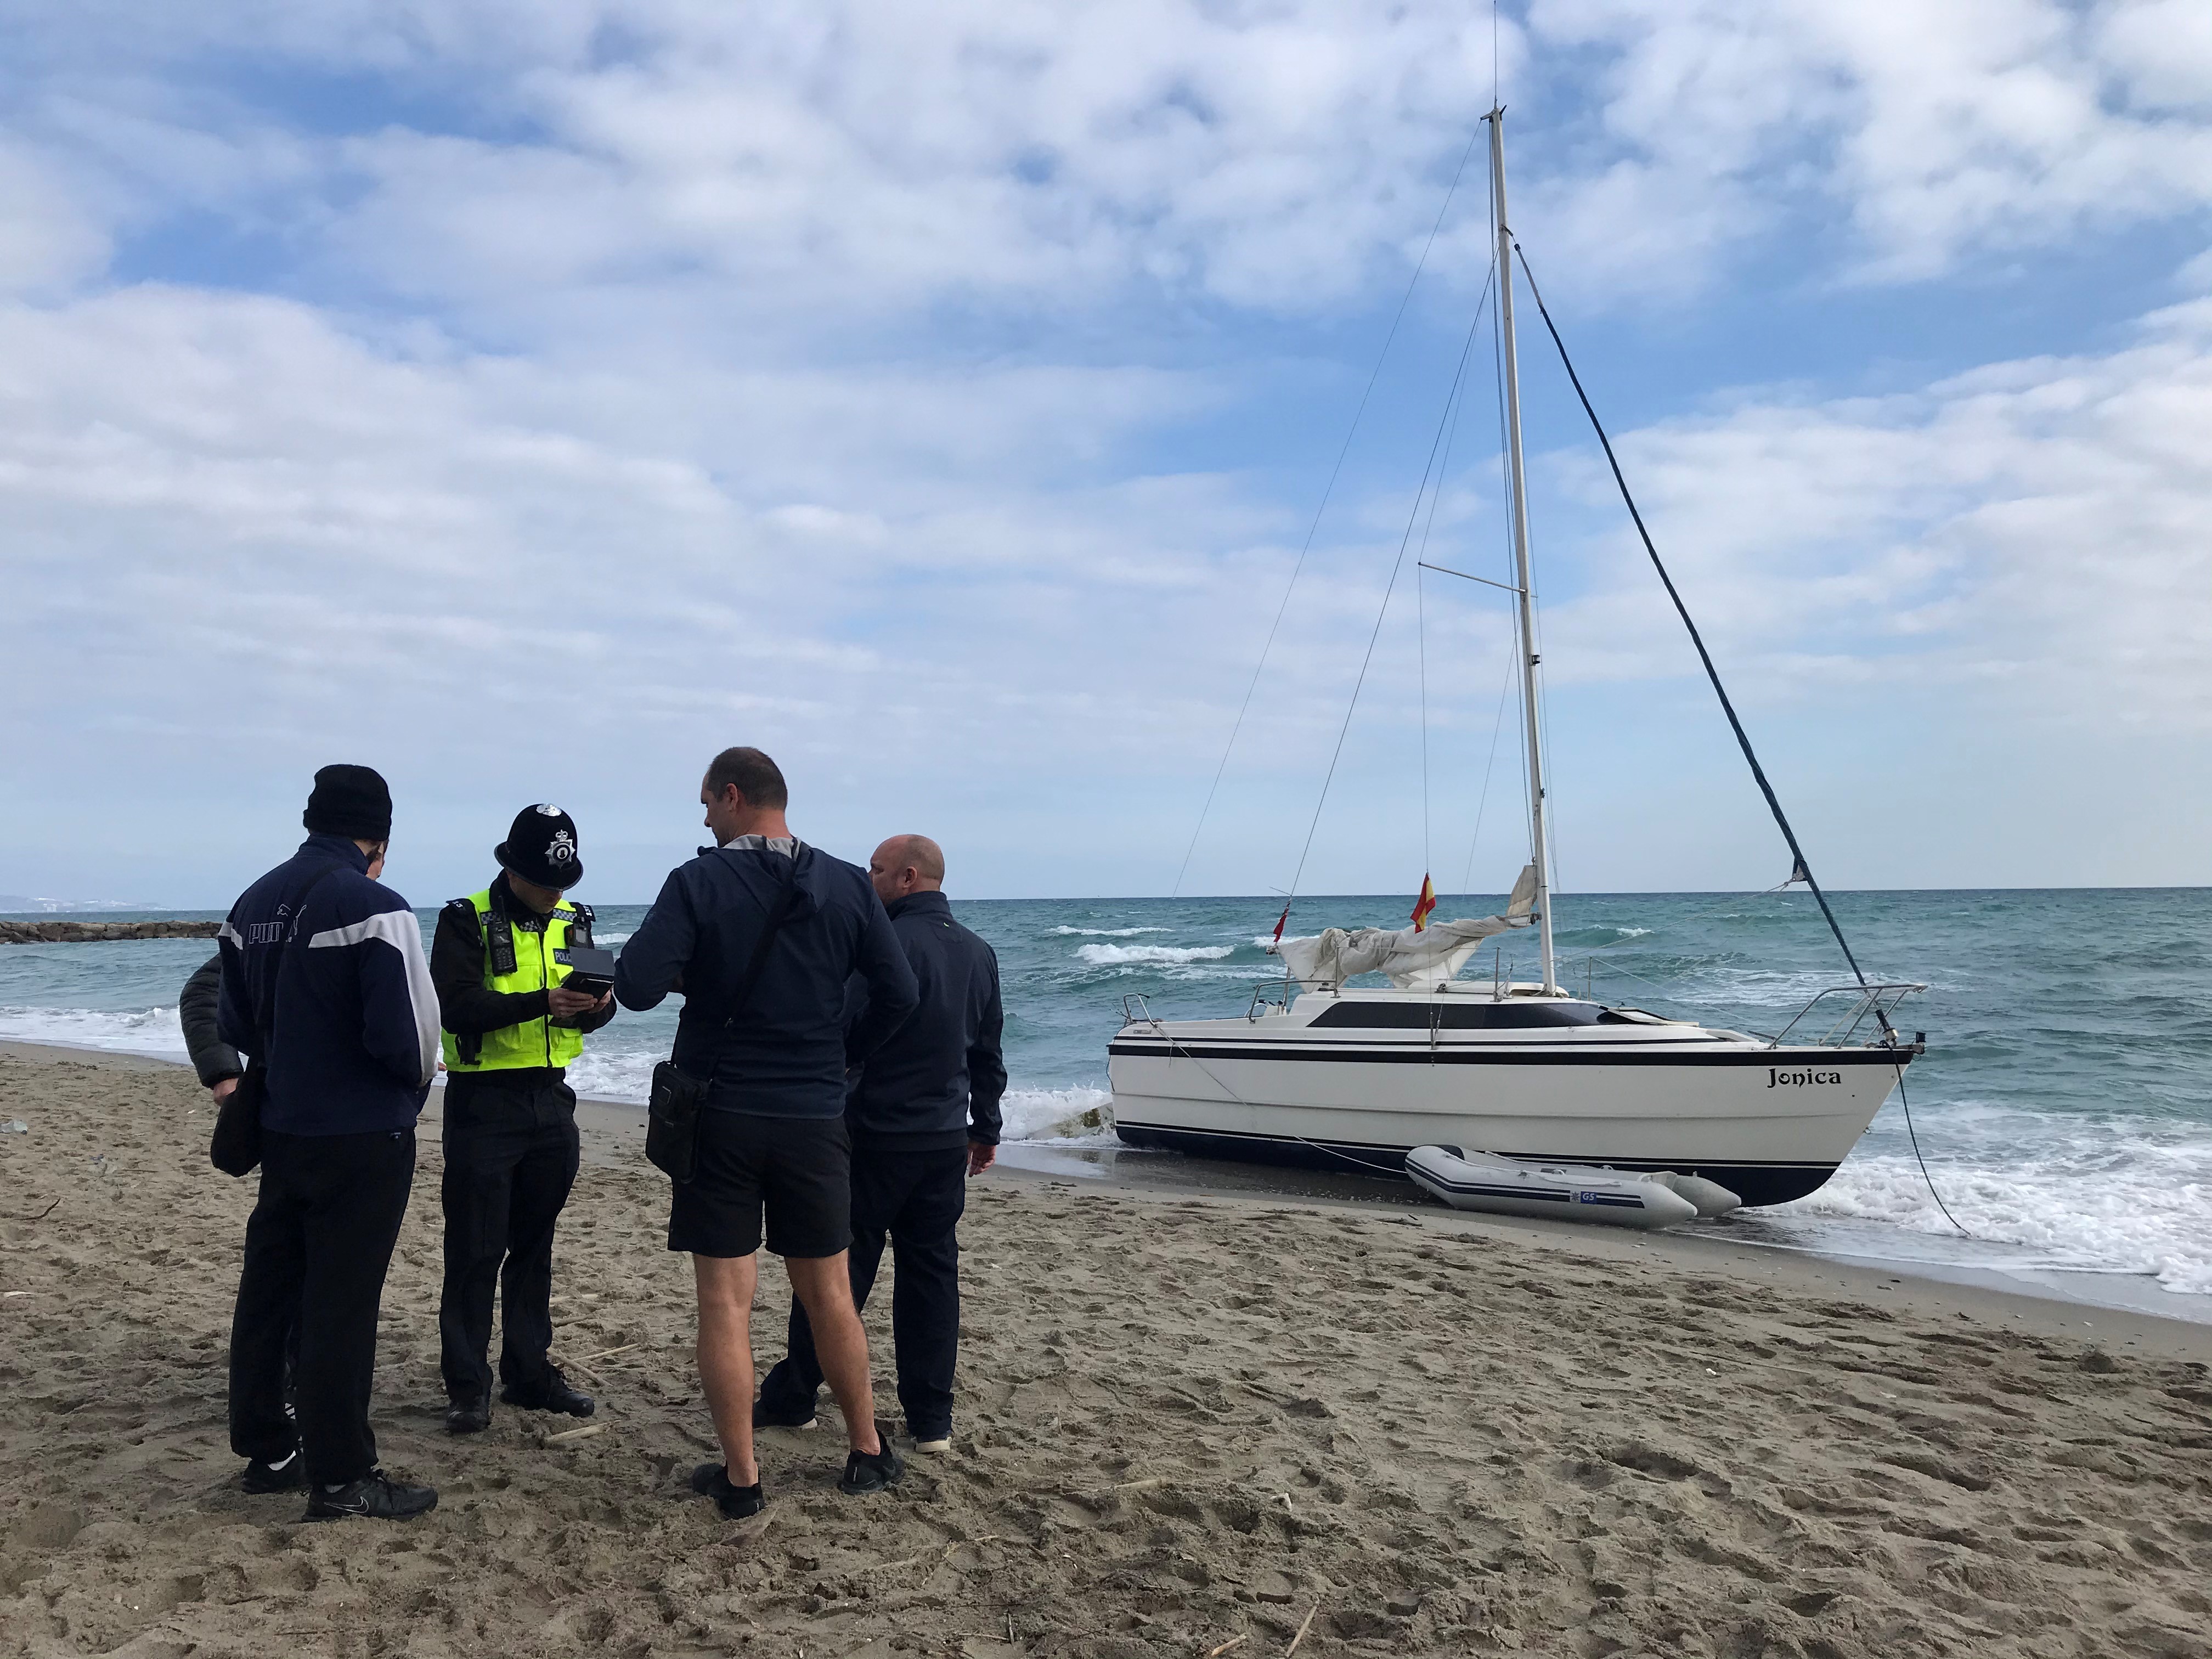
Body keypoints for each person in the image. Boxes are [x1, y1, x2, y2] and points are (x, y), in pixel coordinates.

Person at [615, 746, 920, 1519]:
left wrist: (696, 971)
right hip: (814, 1114)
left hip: (721, 1112)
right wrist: (843, 1055)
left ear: (733, 795)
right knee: (829, 1292)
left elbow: (635, 986)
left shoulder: (698, 882)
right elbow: (901, 994)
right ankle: (866, 1450)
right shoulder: (848, 883)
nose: (705, 821)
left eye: (707, 805)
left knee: (725, 1301)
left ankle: (744, 1477)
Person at [217, 764, 441, 1522]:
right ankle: (343, 1478)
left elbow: (235, 1022)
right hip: (362, 1133)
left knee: (271, 1291)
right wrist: (410, 1091)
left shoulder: (252, 903)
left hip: (282, 1126)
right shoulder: (377, 906)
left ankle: (268, 1449)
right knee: (341, 1306)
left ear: (313, 822)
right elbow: (413, 1041)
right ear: (379, 838)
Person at [755, 834, 1005, 1454]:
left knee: (836, 1275)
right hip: (943, 1138)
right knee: (932, 1276)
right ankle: (931, 1420)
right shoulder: (979, 951)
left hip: (874, 1133)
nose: (868, 879)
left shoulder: (884, 944)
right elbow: (987, 1052)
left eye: (876, 869)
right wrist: (986, 1128)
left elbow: (847, 1029)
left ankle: (796, 1396)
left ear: (908, 877)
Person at [431, 805, 616, 1435]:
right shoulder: (466, 918)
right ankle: (467, 1386)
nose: (556, 893)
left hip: (552, 1098)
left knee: (535, 1247)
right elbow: (457, 1006)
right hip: (484, 1101)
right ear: (511, 869)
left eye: (564, 880)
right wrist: (543, 1003)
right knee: (475, 1249)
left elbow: (596, 1010)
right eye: (544, 881)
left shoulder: (575, 919)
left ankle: (529, 1373)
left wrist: (597, 1005)